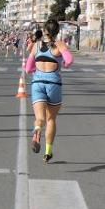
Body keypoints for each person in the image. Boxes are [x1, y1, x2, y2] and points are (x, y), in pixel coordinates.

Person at [25, 18, 73, 162]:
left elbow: (27, 69)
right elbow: (69, 60)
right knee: (51, 119)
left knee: (40, 118)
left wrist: (36, 71)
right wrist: (63, 64)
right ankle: (48, 152)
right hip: (54, 84)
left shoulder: (36, 46)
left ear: (45, 31)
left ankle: (38, 129)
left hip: (38, 83)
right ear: (57, 31)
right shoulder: (60, 45)